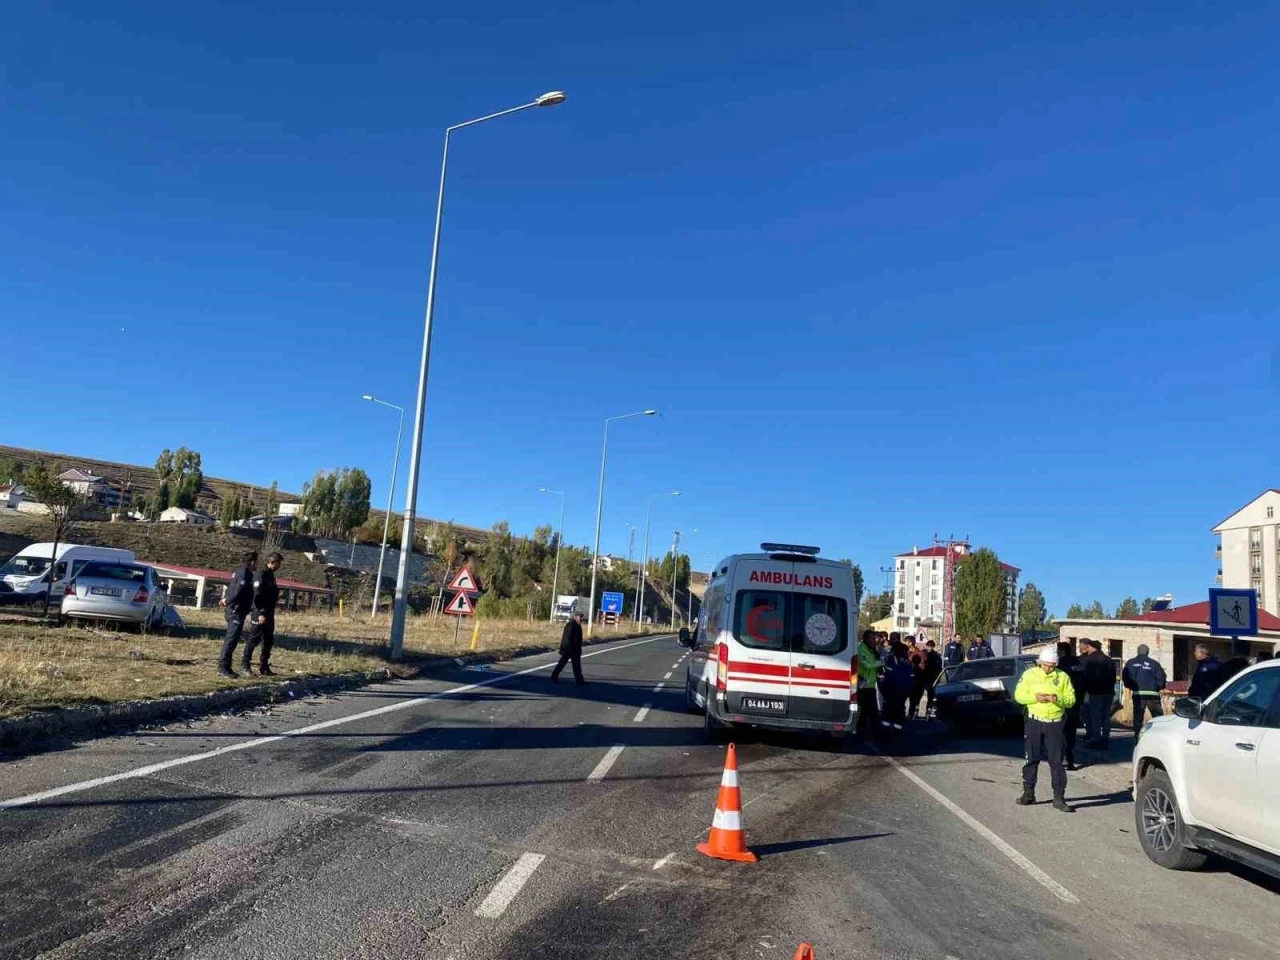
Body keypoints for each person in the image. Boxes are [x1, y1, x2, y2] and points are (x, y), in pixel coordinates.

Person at [1013, 646, 1077, 813]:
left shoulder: (1063, 677)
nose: (1048, 669)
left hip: (1055, 723)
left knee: (1056, 761)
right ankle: (1028, 794)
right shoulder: (1029, 675)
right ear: (1039, 663)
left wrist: (1057, 698)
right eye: (1045, 665)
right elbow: (1019, 696)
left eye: (1052, 666)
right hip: (1034, 721)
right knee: (1031, 758)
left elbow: (1071, 700)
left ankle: (1059, 797)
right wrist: (1035, 698)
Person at [218, 551, 258, 678]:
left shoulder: (243, 572)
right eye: (256, 562)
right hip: (236, 611)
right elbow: (237, 592)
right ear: (252, 562)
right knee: (231, 640)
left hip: (239, 610)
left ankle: (227, 667)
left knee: (233, 640)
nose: (257, 564)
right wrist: (227, 600)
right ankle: (222, 668)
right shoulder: (244, 573)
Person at [242, 552, 282, 676]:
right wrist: (260, 613)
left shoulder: (270, 576)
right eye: (278, 563)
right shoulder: (261, 574)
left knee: (268, 640)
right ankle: (245, 665)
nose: (279, 566)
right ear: (272, 562)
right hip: (259, 612)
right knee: (254, 639)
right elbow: (257, 595)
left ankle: (264, 666)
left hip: (269, 613)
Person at [1123, 644, 1167, 741]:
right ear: (1148, 652)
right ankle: (1159, 739)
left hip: (1138, 695)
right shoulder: (1154, 664)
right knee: (1158, 718)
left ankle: (1139, 739)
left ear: (1138, 651)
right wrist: (1157, 687)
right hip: (1153, 696)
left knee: (1138, 719)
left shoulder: (1131, 663)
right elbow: (1162, 677)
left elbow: (1126, 678)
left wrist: (1133, 687)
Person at [1079, 638, 1115, 748]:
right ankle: (1105, 738)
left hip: (1095, 692)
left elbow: (1084, 677)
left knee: (1095, 717)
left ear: (1090, 647)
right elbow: (1114, 676)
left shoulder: (1089, 660)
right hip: (1109, 692)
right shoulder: (1109, 659)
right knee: (1105, 716)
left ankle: (1096, 739)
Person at [1057, 641, 1085, 770]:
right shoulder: (1077, 663)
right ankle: (1070, 761)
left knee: (1061, 733)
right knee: (1071, 733)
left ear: (1062, 651)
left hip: (1063, 703)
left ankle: (1060, 759)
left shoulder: (1061, 665)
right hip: (1076, 702)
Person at [880, 641, 914, 732]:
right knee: (900, 708)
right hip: (904, 690)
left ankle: (886, 727)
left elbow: (889, 675)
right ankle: (897, 728)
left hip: (893, 688)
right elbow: (911, 677)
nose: (907, 653)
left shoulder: (893, 659)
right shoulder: (908, 662)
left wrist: (885, 687)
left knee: (889, 708)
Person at [855, 628, 882, 740]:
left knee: (872, 713)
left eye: (875, 638)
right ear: (866, 639)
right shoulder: (861, 649)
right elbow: (867, 664)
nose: (874, 640)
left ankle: (873, 735)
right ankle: (861, 734)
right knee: (864, 713)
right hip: (863, 687)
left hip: (870, 686)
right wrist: (882, 662)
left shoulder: (871, 650)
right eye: (872, 638)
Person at [551, 611, 587, 685]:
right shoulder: (570, 625)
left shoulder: (577, 625)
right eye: (581, 617)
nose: (582, 618)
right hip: (568, 649)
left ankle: (579, 681)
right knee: (562, 663)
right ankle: (554, 676)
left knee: (576, 665)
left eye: (582, 617)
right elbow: (567, 638)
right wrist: (568, 648)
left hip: (575, 649)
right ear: (576, 617)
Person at [921, 640, 944, 720]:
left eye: (931, 646)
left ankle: (928, 712)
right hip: (922, 678)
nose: (930, 648)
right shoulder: (922, 654)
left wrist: (937, 679)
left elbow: (939, 669)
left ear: (933, 647)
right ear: (926, 646)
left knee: (931, 697)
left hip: (932, 678)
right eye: (928, 646)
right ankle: (913, 713)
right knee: (917, 697)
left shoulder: (936, 656)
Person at [907, 639, 927, 719]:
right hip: (913, 683)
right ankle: (912, 713)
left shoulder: (919, 654)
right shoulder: (906, 653)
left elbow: (923, 667)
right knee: (913, 699)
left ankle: (912, 713)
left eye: (907, 642)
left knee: (914, 699)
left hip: (916, 683)